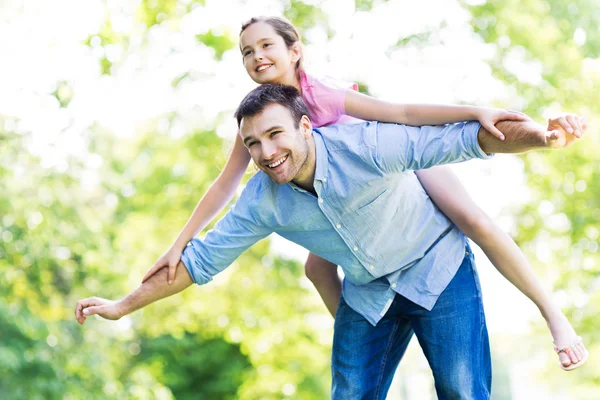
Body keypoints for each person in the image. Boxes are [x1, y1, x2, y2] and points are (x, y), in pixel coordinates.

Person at [76, 84, 588, 398]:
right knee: (350, 394)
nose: (266, 152)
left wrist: (544, 138)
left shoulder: (366, 145)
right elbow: (199, 263)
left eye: (275, 135)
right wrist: (124, 306)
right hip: (368, 294)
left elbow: (468, 138)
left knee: (460, 389)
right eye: (253, 143)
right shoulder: (261, 200)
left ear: (305, 126)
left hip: (437, 269)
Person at [145, 16, 587, 370]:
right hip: (340, 205)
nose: (257, 56)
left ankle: (554, 315)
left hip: (387, 167)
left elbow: (401, 113)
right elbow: (226, 184)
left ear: (293, 50)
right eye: (247, 52)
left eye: (266, 46)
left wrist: (475, 110)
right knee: (316, 269)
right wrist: (179, 243)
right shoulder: (260, 119)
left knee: (472, 221)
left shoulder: (320, 92)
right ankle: (373, 344)